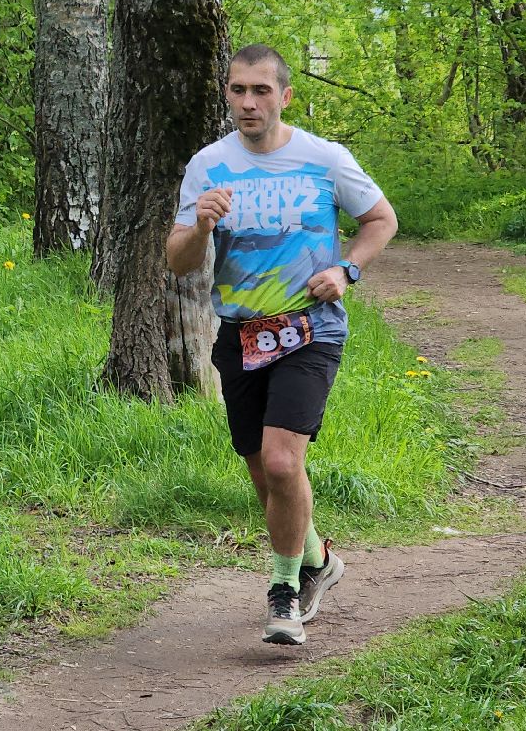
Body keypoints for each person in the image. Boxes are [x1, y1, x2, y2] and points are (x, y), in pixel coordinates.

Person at [165, 43, 398, 645]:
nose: (249, 102)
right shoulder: (208, 166)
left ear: (285, 96)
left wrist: (347, 270)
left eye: (261, 90)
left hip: (310, 329)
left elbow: (381, 219)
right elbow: (178, 261)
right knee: (266, 477)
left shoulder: (324, 158)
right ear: (227, 94)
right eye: (238, 90)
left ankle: (285, 592)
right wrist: (202, 225)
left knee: (281, 461)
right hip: (240, 336)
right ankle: (318, 560)